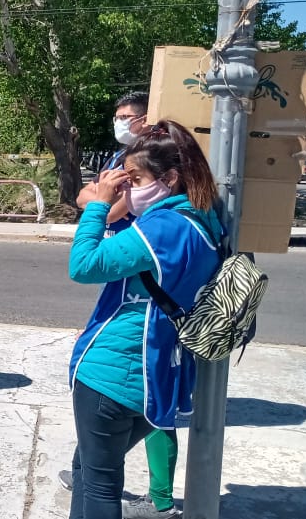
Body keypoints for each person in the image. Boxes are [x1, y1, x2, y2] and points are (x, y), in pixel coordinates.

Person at [67, 120, 222, 519]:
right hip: (155, 374)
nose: (131, 187)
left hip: (113, 373)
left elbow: (84, 265)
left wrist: (101, 205)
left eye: (136, 178)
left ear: (170, 178)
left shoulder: (163, 226)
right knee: (88, 468)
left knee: (99, 484)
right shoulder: (202, 222)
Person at [76, 91, 150, 233]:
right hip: (108, 241)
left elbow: (110, 214)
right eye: (116, 119)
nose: (118, 123)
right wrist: (106, 200)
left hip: (132, 244)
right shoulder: (119, 156)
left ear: (144, 120)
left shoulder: (151, 158)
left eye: (124, 117)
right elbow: (81, 196)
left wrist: (101, 197)